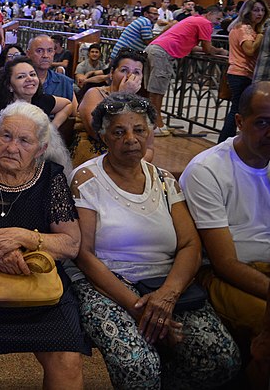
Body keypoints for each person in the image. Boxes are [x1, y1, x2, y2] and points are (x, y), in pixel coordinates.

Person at [69, 93, 240, 389]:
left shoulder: (164, 180)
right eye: (119, 132)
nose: (131, 139)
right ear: (104, 137)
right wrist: (140, 308)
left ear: (150, 133)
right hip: (109, 284)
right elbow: (84, 254)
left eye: (139, 130)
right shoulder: (86, 179)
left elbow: (190, 245)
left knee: (221, 358)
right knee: (138, 366)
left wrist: (167, 296)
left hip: (164, 283)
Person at [0, 101, 89, 389]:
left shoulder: (51, 177)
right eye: (6, 136)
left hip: (40, 284)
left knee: (68, 359)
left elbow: (71, 243)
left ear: (40, 148)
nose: (12, 147)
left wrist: (26, 237)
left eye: (24, 140)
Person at [180, 81, 270, 340]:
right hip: (222, 275)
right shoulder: (207, 170)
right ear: (240, 122)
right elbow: (224, 263)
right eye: (262, 123)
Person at [146, 6, 229, 134]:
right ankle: (156, 125)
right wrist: (221, 51)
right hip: (162, 52)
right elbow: (208, 49)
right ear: (210, 13)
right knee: (157, 91)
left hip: (155, 49)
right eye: (217, 18)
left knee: (152, 90)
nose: (218, 22)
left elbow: (191, 46)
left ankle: (151, 122)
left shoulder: (193, 19)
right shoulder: (205, 23)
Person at [71, 49, 154, 166]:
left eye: (136, 72)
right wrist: (123, 96)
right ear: (111, 73)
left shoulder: (141, 104)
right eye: (124, 70)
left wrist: (136, 166)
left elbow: (149, 147)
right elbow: (97, 132)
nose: (130, 76)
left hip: (128, 162)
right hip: (92, 157)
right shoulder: (94, 93)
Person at [0, 57, 72, 147]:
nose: (30, 79)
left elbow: (68, 104)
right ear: (9, 86)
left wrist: (52, 128)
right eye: (21, 77)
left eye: (33, 74)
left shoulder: (41, 101)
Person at [219, 0, 268, 142]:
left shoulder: (245, 27)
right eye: (256, 10)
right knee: (237, 110)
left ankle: (227, 141)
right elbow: (250, 50)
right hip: (241, 73)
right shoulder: (244, 28)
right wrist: (260, 36)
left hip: (241, 73)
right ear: (248, 11)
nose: (259, 14)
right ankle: (224, 142)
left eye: (262, 10)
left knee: (238, 109)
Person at [27, 35, 78, 114]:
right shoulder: (20, 81)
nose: (45, 55)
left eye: (50, 51)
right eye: (39, 51)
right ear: (28, 53)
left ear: (54, 53)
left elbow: (75, 115)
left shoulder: (64, 82)